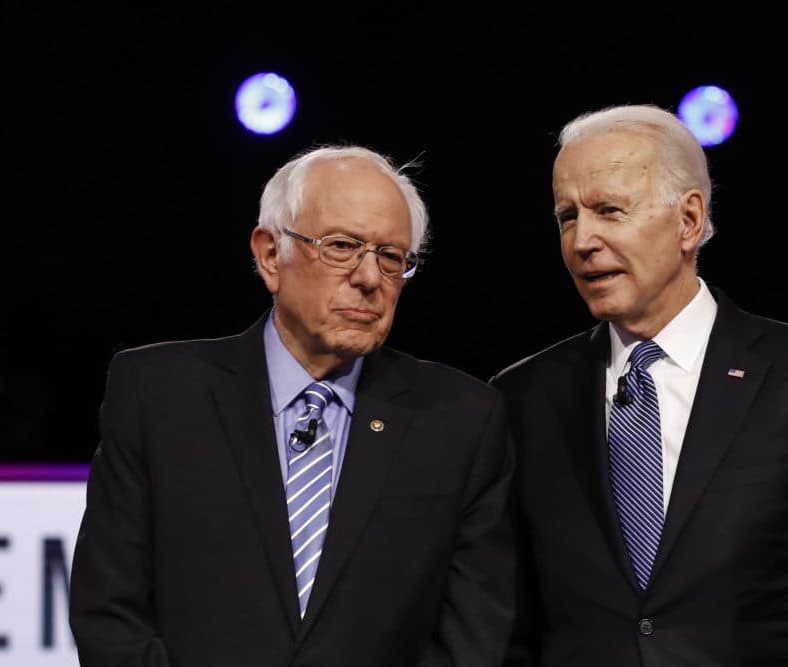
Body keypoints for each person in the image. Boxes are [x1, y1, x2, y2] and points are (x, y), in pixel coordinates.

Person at [490, 105, 788, 666]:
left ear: (688, 221)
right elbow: (513, 625)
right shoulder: (523, 399)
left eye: (610, 211)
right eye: (567, 216)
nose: (583, 240)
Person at [69, 145, 515, 666]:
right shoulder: (158, 395)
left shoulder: (461, 420)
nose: (370, 278)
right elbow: (109, 615)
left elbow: (472, 638)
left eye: (391, 258)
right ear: (268, 255)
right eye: (342, 246)